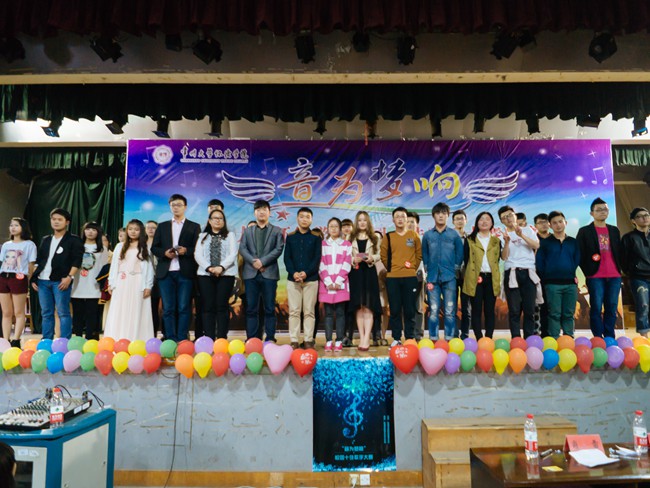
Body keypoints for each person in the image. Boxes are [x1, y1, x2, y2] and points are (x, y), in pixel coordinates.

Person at [151, 194, 201, 342]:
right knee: (168, 308)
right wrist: (165, 253)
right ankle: (170, 338)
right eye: (173, 205)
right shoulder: (162, 226)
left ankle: (182, 338)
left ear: (185, 207)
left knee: (184, 307)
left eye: (179, 205)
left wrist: (187, 251)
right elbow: (154, 248)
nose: (176, 207)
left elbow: (198, 248)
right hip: (166, 273)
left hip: (185, 272)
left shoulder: (194, 226)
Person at [31, 208, 84, 340]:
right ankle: (47, 340)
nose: (56, 222)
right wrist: (34, 278)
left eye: (60, 219)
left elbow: (77, 260)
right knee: (46, 313)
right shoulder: (46, 239)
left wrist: (69, 277)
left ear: (67, 222)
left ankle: (64, 340)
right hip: (42, 281)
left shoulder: (73, 240)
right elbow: (39, 260)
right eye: (53, 219)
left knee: (63, 312)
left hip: (60, 281)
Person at [576, 197, 622, 339]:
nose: (603, 212)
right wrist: (588, 271)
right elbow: (579, 254)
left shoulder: (614, 230)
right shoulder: (584, 231)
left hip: (614, 275)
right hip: (595, 276)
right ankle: (597, 337)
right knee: (596, 307)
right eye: (599, 210)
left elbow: (620, 251)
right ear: (592, 213)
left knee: (612, 306)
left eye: (605, 209)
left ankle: (609, 336)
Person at [239, 200, 284, 342]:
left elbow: (278, 249)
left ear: (269, 212)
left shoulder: (277, 231)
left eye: (264, 209)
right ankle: (251, 339)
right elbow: (242, 248)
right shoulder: (247, 231)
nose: (261, 212)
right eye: (258, 209)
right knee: (251, 309)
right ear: (254, 213)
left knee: (270, 308)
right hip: (251, 274)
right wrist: (254, 262)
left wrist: (262, 262)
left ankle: (270, 338)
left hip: (269, 274)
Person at [105, 219, 154, 341]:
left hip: (138, 281)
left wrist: (148, 285)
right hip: (121, 281)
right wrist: (111, 283)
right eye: (130, 229)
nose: (133, 232)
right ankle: (117, 339)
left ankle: (136, 340)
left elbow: (149, 268)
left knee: (136, 310)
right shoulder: (119, 246)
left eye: (136, 229)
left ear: (141, 231)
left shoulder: (145, 247)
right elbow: (114, 266)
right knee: (119, 310)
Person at [381, 207, 422, 347]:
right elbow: (383, 256)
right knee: (395, 309)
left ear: (406, 219)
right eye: (397, 216)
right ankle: (397, 338)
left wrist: (412, 268)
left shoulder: (413, 235)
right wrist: (392, 269)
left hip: (410, 277)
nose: (400, 219)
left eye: (402, 216)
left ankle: (410, 337)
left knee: (410, 309)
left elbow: (419, 255)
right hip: (393, 278)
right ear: (393, 220)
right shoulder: (388, 237)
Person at [194, 208, 238, 340]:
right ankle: (209, 338)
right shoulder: (202, 236)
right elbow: (197, 254)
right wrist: (209, 268)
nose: (218, 221)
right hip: (205, 275)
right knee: (208, 307)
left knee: (222, 306)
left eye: (220, 218)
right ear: (209, 221)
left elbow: (233, 254)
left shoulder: (230, 235)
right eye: (215, 218)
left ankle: (221, 338)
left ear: (224, 221)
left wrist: (221, 267)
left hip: (226, 275)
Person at [536, 211, 580, 338]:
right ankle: (554, 339)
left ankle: (568, 338)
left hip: (570, 284)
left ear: (565, 223)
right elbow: (540, 262)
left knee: (568, 314)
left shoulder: (573, 242)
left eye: (560, 222)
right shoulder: (545, 243)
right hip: (552, 284)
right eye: (554, 223)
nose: (558, 225)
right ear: (550, 225)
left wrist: (569, 271)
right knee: (554, 314)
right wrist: (547, 277)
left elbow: (577, 259)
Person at [422, 203, 463, 341]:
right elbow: (425, 253)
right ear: (433, 216)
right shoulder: (427, 235)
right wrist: (427, 267)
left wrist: (455, 268)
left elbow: (459, 253)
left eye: (444, 213)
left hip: (450, 277)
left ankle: (449, 338)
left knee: (450, 310)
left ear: (448, 216)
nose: (441, 216)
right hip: (432, 277)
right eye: (438, 213)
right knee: (433, 310)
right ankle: (433, 338)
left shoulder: (454, 234)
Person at [499, 205, 541, 338]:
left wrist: (521, 235)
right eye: (504, 218)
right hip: (512, 272)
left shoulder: (528, 230)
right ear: (501, 221)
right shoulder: (502, 235)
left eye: (510, 215)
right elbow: (504, 257)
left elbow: (536, 245)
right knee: (514, 310)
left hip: (528, 272)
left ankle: (529, 338)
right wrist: (506, 242)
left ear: (515, 215)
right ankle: (516, 339)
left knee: (529, 310)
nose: (508, 219)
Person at [284, 207, 321, 349]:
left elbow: (317, 259)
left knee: (309, 311)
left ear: (311, 220)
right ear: (297, 218)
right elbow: (287, 258)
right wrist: (294, 273)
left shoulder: (316, 238)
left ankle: (308, 340)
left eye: (307, 217)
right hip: (293, 280)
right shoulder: (291, 237)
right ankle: (294, 340)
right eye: (302, 216)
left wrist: (306, 273)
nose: (304, 219)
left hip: (311, 280)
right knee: (294, 311)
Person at [463, 212, 501, 339]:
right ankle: (479, 337)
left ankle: (489, 337)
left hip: (491, 278)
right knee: (476, 309)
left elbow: (497, 260)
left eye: (487, 219)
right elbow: (466, 260)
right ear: (477, 223)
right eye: (481, 219)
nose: (484, 222)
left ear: (492, 223)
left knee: (490, 310)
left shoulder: (496, 241)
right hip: (475, 278)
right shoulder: (470, 240)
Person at [0, 217, 37, 347]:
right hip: (4, 276)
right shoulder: (6, 245)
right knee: (6, 312)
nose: (13, 228)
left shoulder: (29, 244)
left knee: (19, 312)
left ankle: (16, 340)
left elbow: (31, 264)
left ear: (23, 228)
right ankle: (5, 340)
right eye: (11, 225)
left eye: (16, 225)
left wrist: (28, 279)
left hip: (19, 277)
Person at [349, 211, 382, 351]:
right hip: (356, 273)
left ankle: (367, 337)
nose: (362, 223)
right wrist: (353, 259)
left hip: (369, 273)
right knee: (359, 307)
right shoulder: (350, 237)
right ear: (356, 222)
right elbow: (346, 255)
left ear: (368, 222)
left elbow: (380, 254)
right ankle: (362, 336)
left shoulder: (375, 237)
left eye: (364, 220)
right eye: (360, 220)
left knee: (368, 306)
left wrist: (372, 258)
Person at [71, 221, 109, 340]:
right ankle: (77, 338)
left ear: (98, 232)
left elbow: (104, 269)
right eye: (88, 229)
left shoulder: (102, 249)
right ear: (83, 231)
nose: (90, 232)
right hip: (77, 286)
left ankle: (90, 339)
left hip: (94, 287)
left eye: (94, 229)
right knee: (77, 314)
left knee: (91, 315)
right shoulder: (77, 246)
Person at [319, 217, 352, 352]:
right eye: (331, 226)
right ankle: (328, 340)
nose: (333, 229)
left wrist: (338, 281)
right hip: (326, 284)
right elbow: (321, 263)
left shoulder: (346, 244)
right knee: (328, 313)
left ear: (340, 229)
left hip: (341, 284)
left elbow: (347, 263)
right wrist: (328, 281)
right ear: (327, 228)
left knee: (340, 313)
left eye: (336, 226)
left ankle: (338, 340)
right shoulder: (323, 244)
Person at [621, 207, 650, 337]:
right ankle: (644, 336)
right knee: (643, 305)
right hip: (638, 277)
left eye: (646, 215)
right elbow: (623, 259)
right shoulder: (629, 238)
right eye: (640, 216)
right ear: (633, 221)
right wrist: (631, 271)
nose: (644, 218)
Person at [452, 209, 471, 339]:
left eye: (461, 218)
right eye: (457, 219)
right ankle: (454, 334)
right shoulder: (448, 238)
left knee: (466, 307)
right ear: (453, 221)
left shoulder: (470, 238)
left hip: (467, 276)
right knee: (451, 307)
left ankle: (465, 334)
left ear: (466, 221)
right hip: (451, 276)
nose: (459, 221)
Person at [408, 211, 425, 341]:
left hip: (419, 276)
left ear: (417, 224)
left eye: (412, 222)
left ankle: (418, 335)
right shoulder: (401, 239)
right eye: (407, 222)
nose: (409, 224)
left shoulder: (422, 239)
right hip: (404, 275)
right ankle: (409, 334)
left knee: (418, 306)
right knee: (407, 306)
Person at [533, 213, 551, 337]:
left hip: (552, 278)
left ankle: (549, 334)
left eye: (545, 222)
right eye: (540, 222)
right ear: (535, 225)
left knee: (551, 307)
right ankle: (536, 334)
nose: (543, 224)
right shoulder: (533, 239)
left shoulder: (555, 238)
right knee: (537, 307)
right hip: (536, 277)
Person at [145, 220, 162, 336]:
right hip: (146, 280)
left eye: (153, 228)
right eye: (148, 228)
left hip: (160, 278)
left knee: (162, 308)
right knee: (150, 308)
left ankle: (162, 333)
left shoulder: (161, 243)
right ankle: (150, 333)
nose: (151, 230)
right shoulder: (141, 244)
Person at [340, 218, 355, 346]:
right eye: (344, 226)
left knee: (351, 309)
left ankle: (349, 336)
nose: (346, 228)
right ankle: (341, 335)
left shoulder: (355, 241)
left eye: (349, 226)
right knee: (341, 309)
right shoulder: (337, 242)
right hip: (340, 279)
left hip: (353, 277)